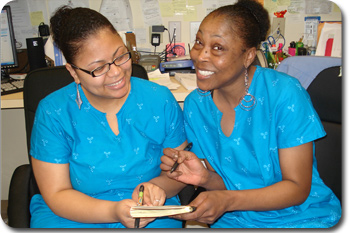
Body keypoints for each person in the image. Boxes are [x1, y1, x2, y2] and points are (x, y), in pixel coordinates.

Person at [161, 0, 341, 228]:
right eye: (199, 42)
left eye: (218, 47)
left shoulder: (284, 93)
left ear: (248, 56)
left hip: (300, 217)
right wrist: (205, 177)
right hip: (237, 219)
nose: (200, 56)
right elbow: (229, 184)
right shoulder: (196, 105)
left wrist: (227, 201)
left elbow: (297, 188)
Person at [29, 6, 187, 228]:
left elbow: (178, 171)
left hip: (148, 208)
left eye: (120, 56)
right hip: (74, 210)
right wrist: (114, 211)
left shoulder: (159, 100)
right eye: (99, 68)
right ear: (74, 72)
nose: (116, 72)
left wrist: (154, 187)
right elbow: (57, 193)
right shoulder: (53, 112)